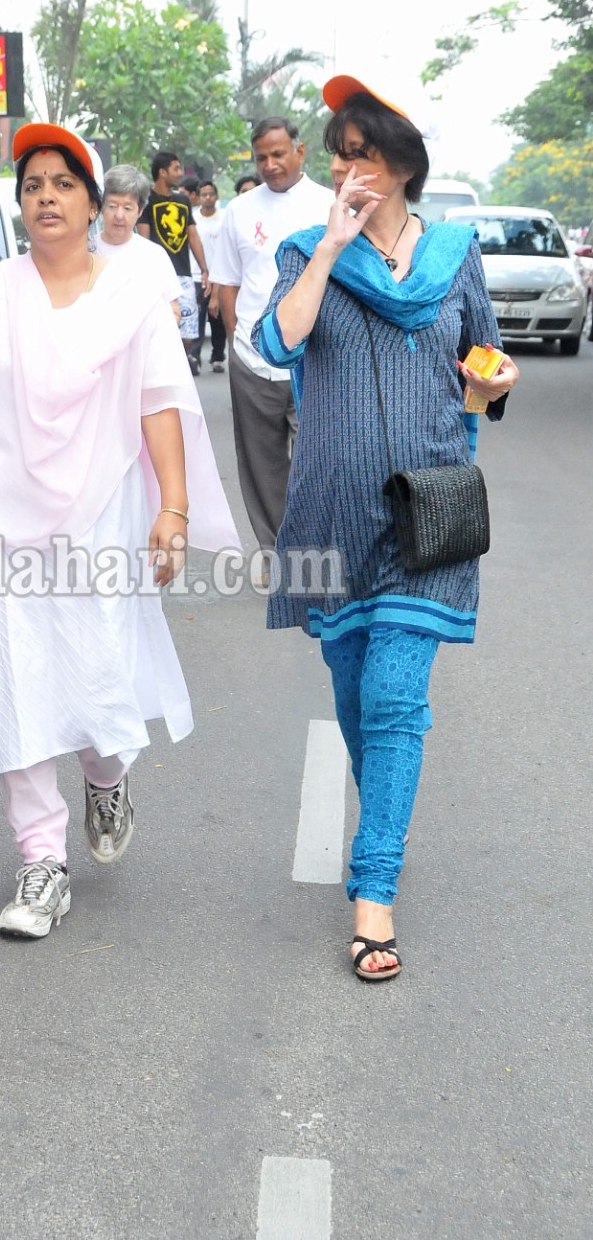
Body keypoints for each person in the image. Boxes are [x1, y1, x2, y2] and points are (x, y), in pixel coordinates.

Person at [0, 124, 237, 940]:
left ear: (93, 202)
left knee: (95, 672)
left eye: (62, 182)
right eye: (31, 185)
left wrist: (173, 507)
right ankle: (40, 859)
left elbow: (160, 400)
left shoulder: (130, 297)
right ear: (20, 204)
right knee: (11, 676)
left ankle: (105, 772)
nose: (46, 196)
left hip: (100, 516)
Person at [250, 75, 519, 980]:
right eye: (337, 155)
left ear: (401, 164)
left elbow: (474, 359)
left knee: (396, 696)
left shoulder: (454, 254)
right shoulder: (302, 249)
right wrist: (328, 247)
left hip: (427, 509)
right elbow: (276, 344)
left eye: (358, 152)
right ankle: (382, 828)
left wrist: (489, 382)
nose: (342, 167)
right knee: (359, 692)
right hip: (331, 509)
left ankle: (374, 895)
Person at [210, 118, 332, 552]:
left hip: (315, 358)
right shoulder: (239, 211)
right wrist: (239, 340)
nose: (270, 164)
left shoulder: (330, 206)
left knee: (318, 460)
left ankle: (313, 549)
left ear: (300, 152)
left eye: (279, 154)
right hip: (252, 358)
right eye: (261, 157)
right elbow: (227, 283)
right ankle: (274, 551)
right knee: (261, 463)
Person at [137, 151, 209, 375]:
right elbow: (143, 240)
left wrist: (205, 270)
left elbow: (193, 236)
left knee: (187, 332)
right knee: (158, 329)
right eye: (176, 168)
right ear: (162, 172)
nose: (180, 173)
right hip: (155, 277)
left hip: (184, 275)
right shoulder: (146, 200)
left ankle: (179, 365)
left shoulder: (183, 200)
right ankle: (162, 371)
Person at [96, 163, 182, 324]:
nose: (119, 215)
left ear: (140, 210)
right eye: (112, 206)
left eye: (128, 208)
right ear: (101, 206)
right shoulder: (84, 250)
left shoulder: (154, 256)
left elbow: (174, 313)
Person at [192, 180, 228, 372]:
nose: (207, 198)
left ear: (216, 196)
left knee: (218, 319)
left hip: (219, 277)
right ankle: (195, 357)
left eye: (211, 194)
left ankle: (217, 357)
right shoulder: (192, 219)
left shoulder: (224, 218)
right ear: (198, 198)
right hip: (197, 277)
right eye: (204, 194)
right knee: (197, 317)